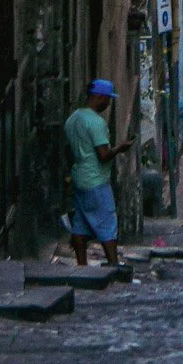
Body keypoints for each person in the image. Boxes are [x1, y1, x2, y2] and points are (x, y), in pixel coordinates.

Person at [63, 80, 132, 268]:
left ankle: (81, 265)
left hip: (79, 177)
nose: (108, 104)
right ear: (99, 97)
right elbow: (103, 154)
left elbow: (68, 150)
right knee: (108, 223)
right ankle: (113, 264)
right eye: (108, 99)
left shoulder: (73, 118)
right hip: (96, 180)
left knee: (80, 224)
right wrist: (119, 148)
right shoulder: (96, 122)